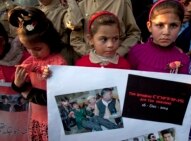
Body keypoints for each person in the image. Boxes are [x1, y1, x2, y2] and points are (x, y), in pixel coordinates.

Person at [9, 7, 68, 141]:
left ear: (50, 41)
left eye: (37, 48)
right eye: (27, 48)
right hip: (35, 118)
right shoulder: (30, 60)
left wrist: (55, 77)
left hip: (52, 120)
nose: (32, 53)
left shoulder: (58, 63)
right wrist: (18, 84)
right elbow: (18, 84)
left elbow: (57, 97)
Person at [68, 0, 141, 57]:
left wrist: (119, 52)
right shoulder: (83, 5)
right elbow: (75, 39)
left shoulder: (121, 2)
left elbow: (134, 33)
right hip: (90, 62)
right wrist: (91, 55)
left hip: (116, 60)